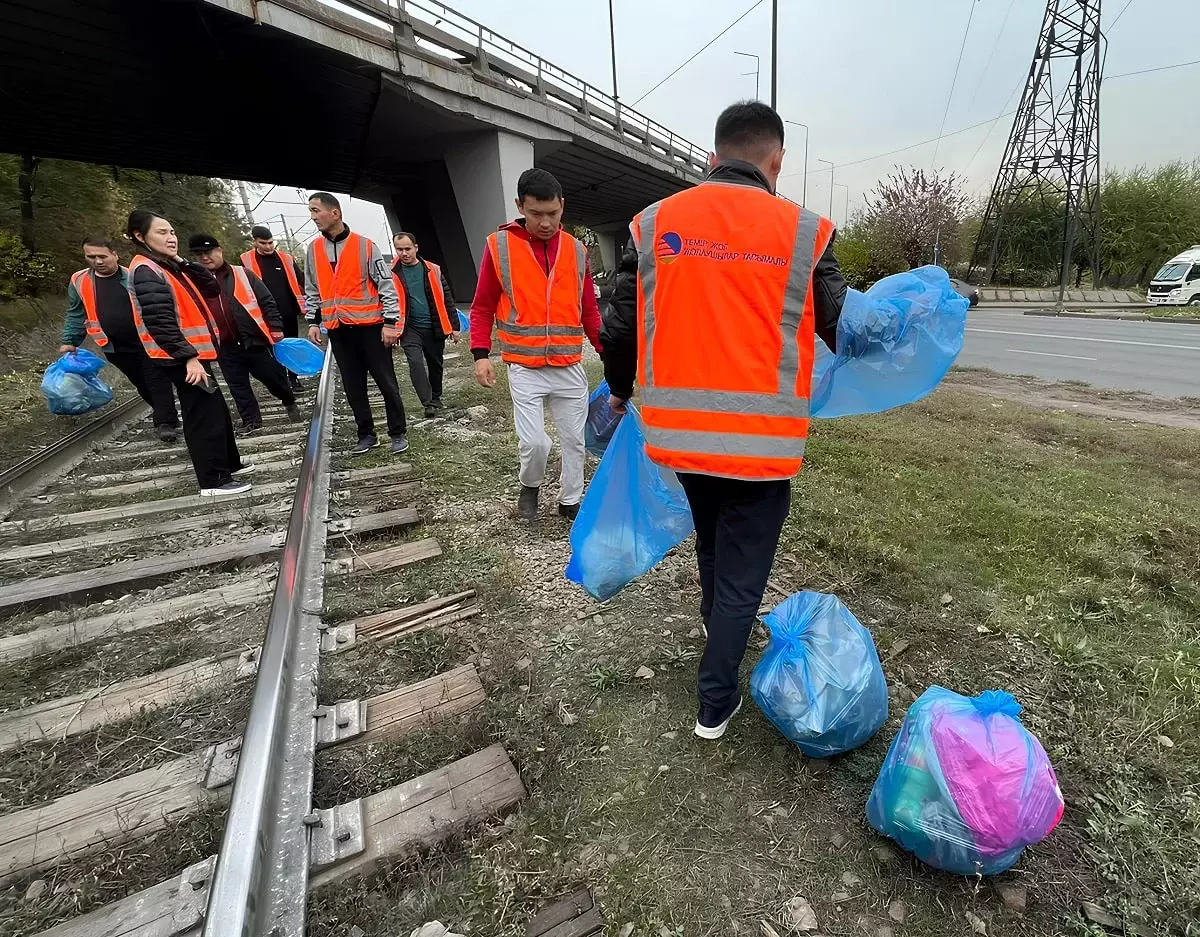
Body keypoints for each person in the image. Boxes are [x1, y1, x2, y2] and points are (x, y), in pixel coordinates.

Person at [602, 101, 848, 741]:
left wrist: (620, 391)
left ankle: (718, 626)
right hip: (761, 445)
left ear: (712, 158)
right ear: (776, 163)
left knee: (713, 541)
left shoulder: (654, 223)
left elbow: (621, 324)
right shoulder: (803, 232)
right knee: (744, 573)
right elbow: (841, 323)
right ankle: (715, 703)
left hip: (678, 438)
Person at [470, 168, 602, 523]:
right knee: (535, 443)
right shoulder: (499, 248)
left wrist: (609, 354)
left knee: (576, 442)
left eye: (553, 214)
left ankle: (570, 501)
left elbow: (588, 308)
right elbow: (482, 306)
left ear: (563, 206)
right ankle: (530, 486)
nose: (546, 223)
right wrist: (481, 354)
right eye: (536, 214)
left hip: (568, 365)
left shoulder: (577, 250)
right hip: (524, 367)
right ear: (520, 207)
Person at [125, 210, 253, 496]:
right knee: (201, 414)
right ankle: (213, 480)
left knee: (215, 409)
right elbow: (159, 322)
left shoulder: (168, 266)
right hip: (180, 356)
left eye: (172, 232)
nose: (171, 238)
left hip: (192, 353)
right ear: (139, 236)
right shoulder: (147, 270)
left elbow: (210, 287)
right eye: (161, 233)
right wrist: (188, 357)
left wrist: (181, 261)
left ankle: (229, 465)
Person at [303, 192, 409, 455]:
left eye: (316, 211)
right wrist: (313, 322)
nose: (313, 217)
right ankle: (366, 434)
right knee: (353, 386)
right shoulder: (313, 250)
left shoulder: (365, 246)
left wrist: (390, 323)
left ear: (334, 213)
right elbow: (312, 288)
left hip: (371, 328)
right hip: (338, 330)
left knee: (386, 383)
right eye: (311, 211)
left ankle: (397, 432)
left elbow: (387, 286)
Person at [58, 238, 180, 442]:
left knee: (156, 379)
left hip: (147, 340)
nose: (97, 261)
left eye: (102, 256)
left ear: (115, 254)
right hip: (114, 345)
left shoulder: (134, 275)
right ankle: (166, 414)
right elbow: (76, 313)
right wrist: (70, 340)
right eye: (91, 257)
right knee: (140, 382)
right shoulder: (79, 281)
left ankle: (164, 422)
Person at [188, 234, 301, 431]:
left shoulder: (242, 274)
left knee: (274, 378)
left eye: (208, 252)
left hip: (253, 340)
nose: (205, 258)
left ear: (219, 251)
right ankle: (251, 421)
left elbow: (267, 301)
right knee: (238, 386)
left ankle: (288, 400)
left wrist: (275, 328)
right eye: (199, 255)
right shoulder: (194, 282)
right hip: (224, 346)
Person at [391, 231, 460, 418]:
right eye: (399, 249)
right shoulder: (390, 273)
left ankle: (436, 397)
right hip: (409, 328)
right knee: (415, 362)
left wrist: (455, 327)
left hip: (434, 326)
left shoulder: (433, 269)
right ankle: (428, 402)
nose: (404, 253)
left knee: (435, 364)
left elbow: (447, 298)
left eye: (407, 249)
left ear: (416, 248)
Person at [241, 225, 306, 391]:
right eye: (263, 243)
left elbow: (302, 281)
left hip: (289, 312)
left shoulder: (286, 259)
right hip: (264, 315)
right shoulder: (245, 260)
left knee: (290, 347)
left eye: (271, 243)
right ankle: (281, 381)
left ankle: (293, 378)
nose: (268, 247)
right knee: (272, 350)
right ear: (255, 242)